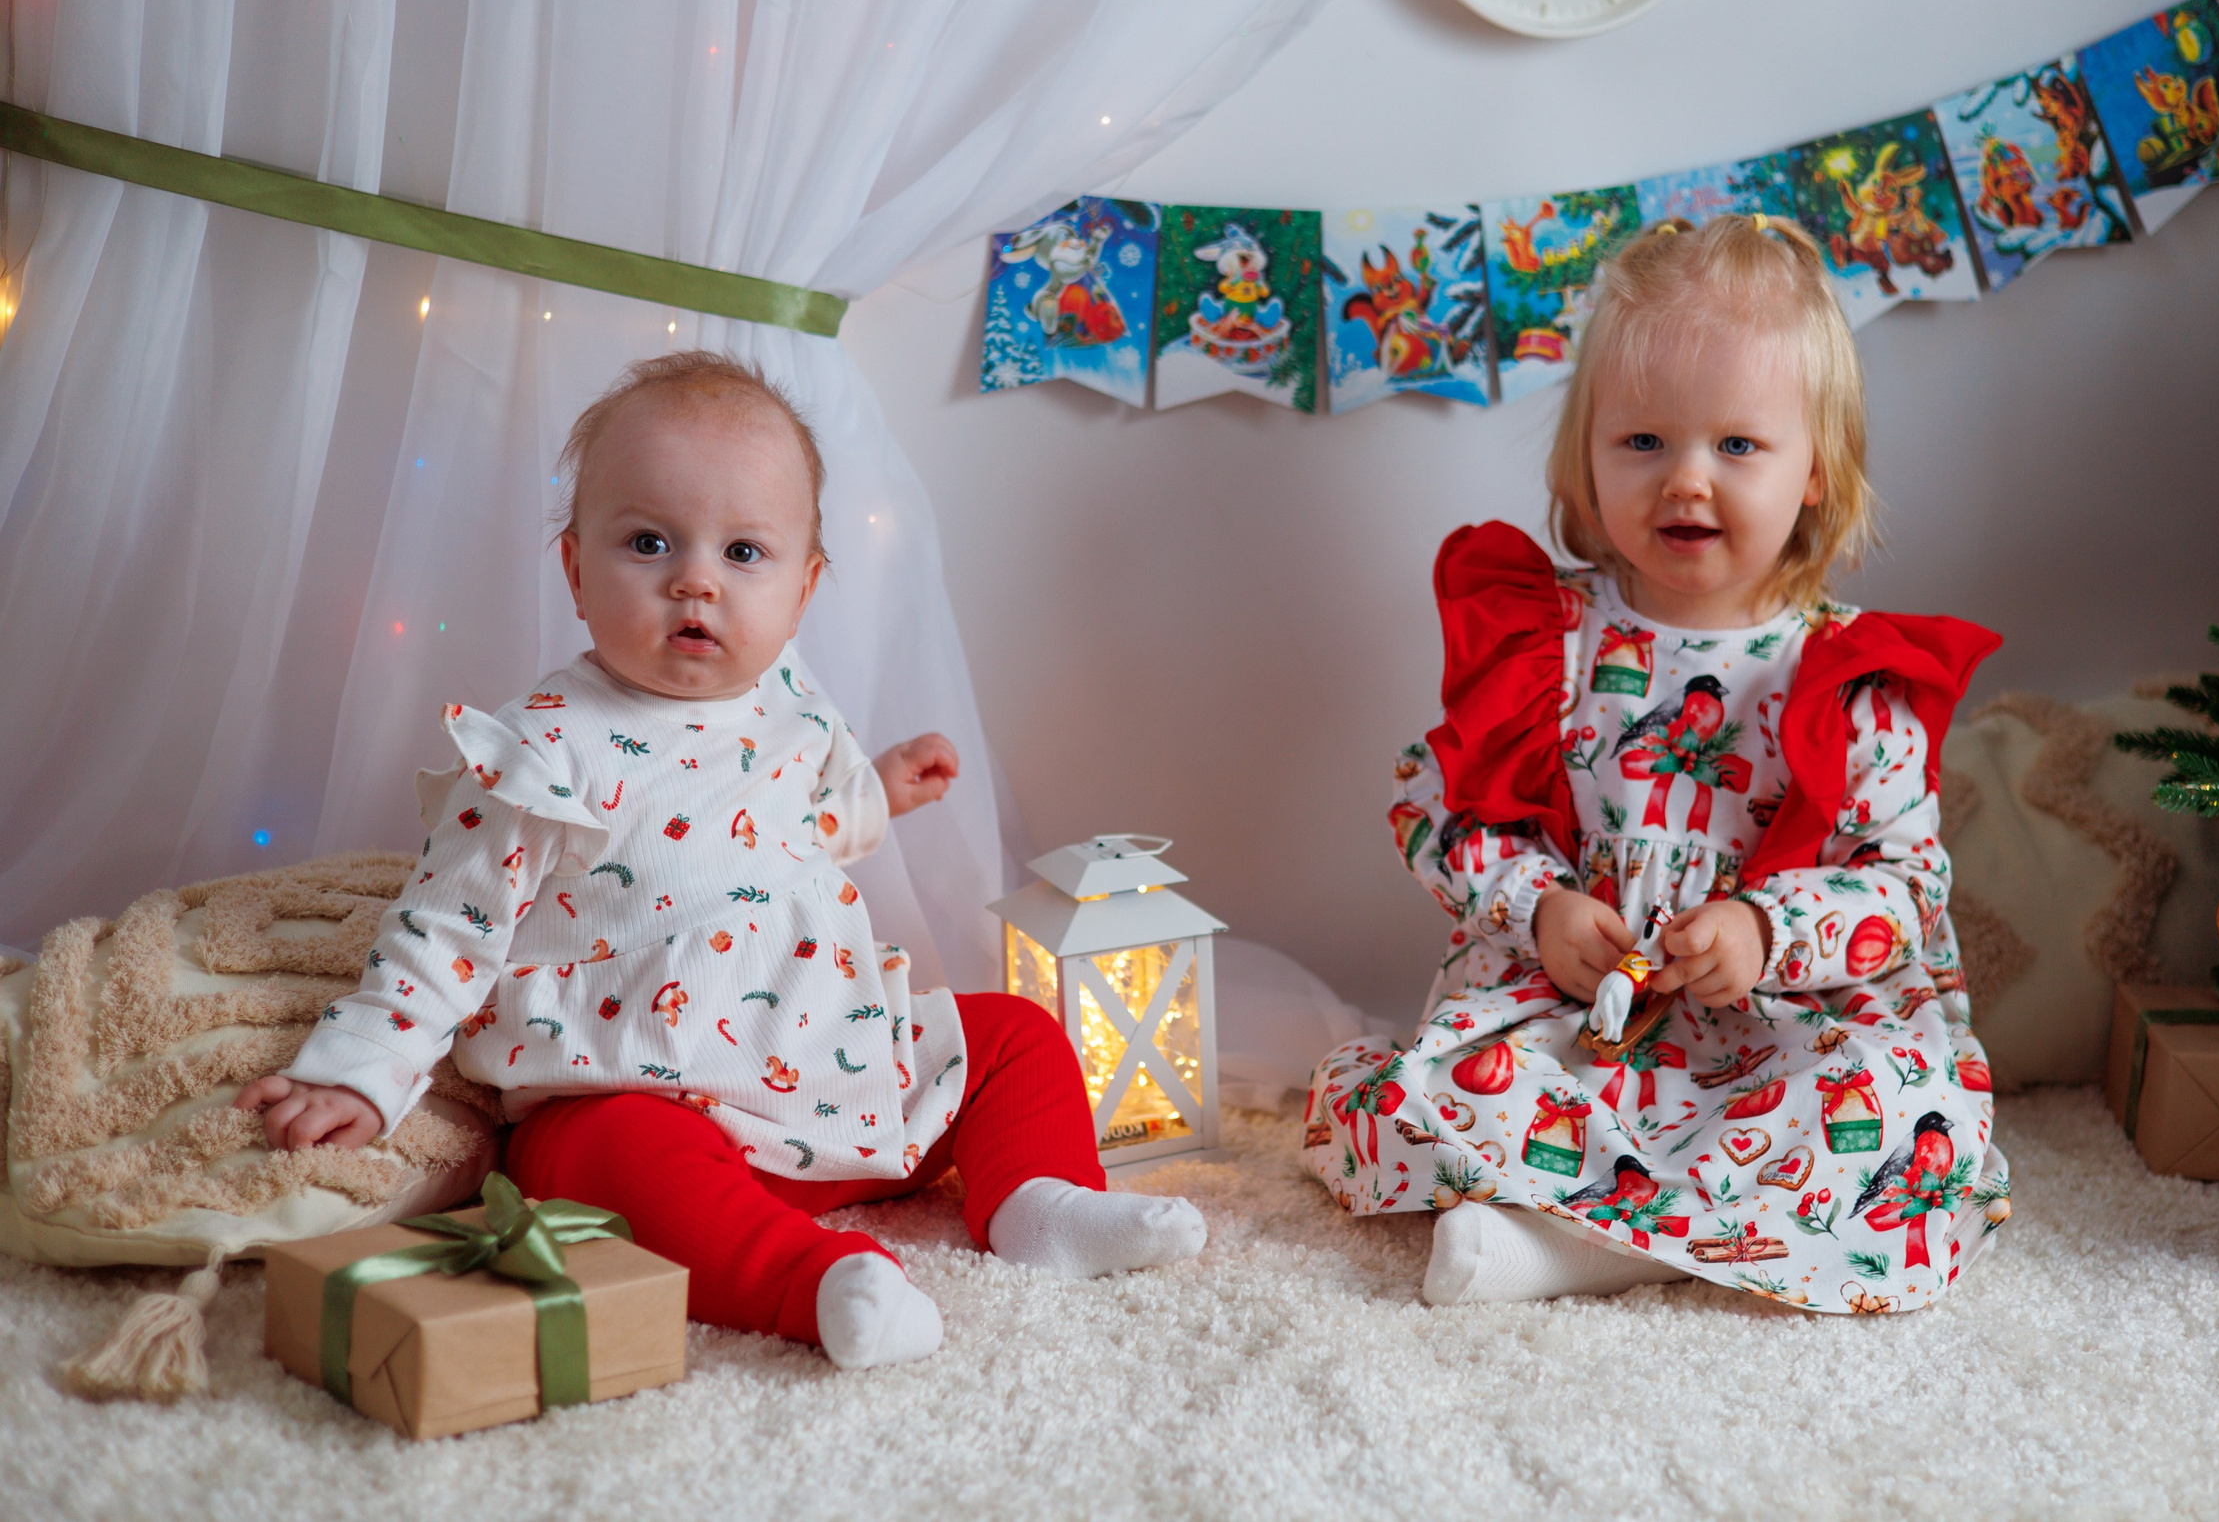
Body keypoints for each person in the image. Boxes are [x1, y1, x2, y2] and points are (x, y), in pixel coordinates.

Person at [239, 351, 1203, 1368]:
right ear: (576, 571)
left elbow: (790, 834)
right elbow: (446, 925)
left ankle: (1039, 1204)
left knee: (1014, 1035)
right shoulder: (540, 752)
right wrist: (361, 1073)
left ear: (803, 589)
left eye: (744, 552)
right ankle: (813, 1280)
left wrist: (874, 790)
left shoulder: (790, 705)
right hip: (647, 1096)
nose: (695, 578)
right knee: (597, 1157)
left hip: (835, 1070)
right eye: (648, 542)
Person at [1312, 215, 2007, 1314]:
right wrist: (1538, 907)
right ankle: (1627, 1227)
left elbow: (1906, 885)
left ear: (1815, 469)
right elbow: (1436, 809)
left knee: (1892, 1109)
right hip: (1576, 1010)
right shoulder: (1547, 640)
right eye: (1642, 441)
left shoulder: (1846, 677)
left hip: (1778, 1026)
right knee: (1429, 1094)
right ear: (1584, 458)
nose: (1686, 479)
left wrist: (1767, 930)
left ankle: (1577, 1250)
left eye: (1736, 446)